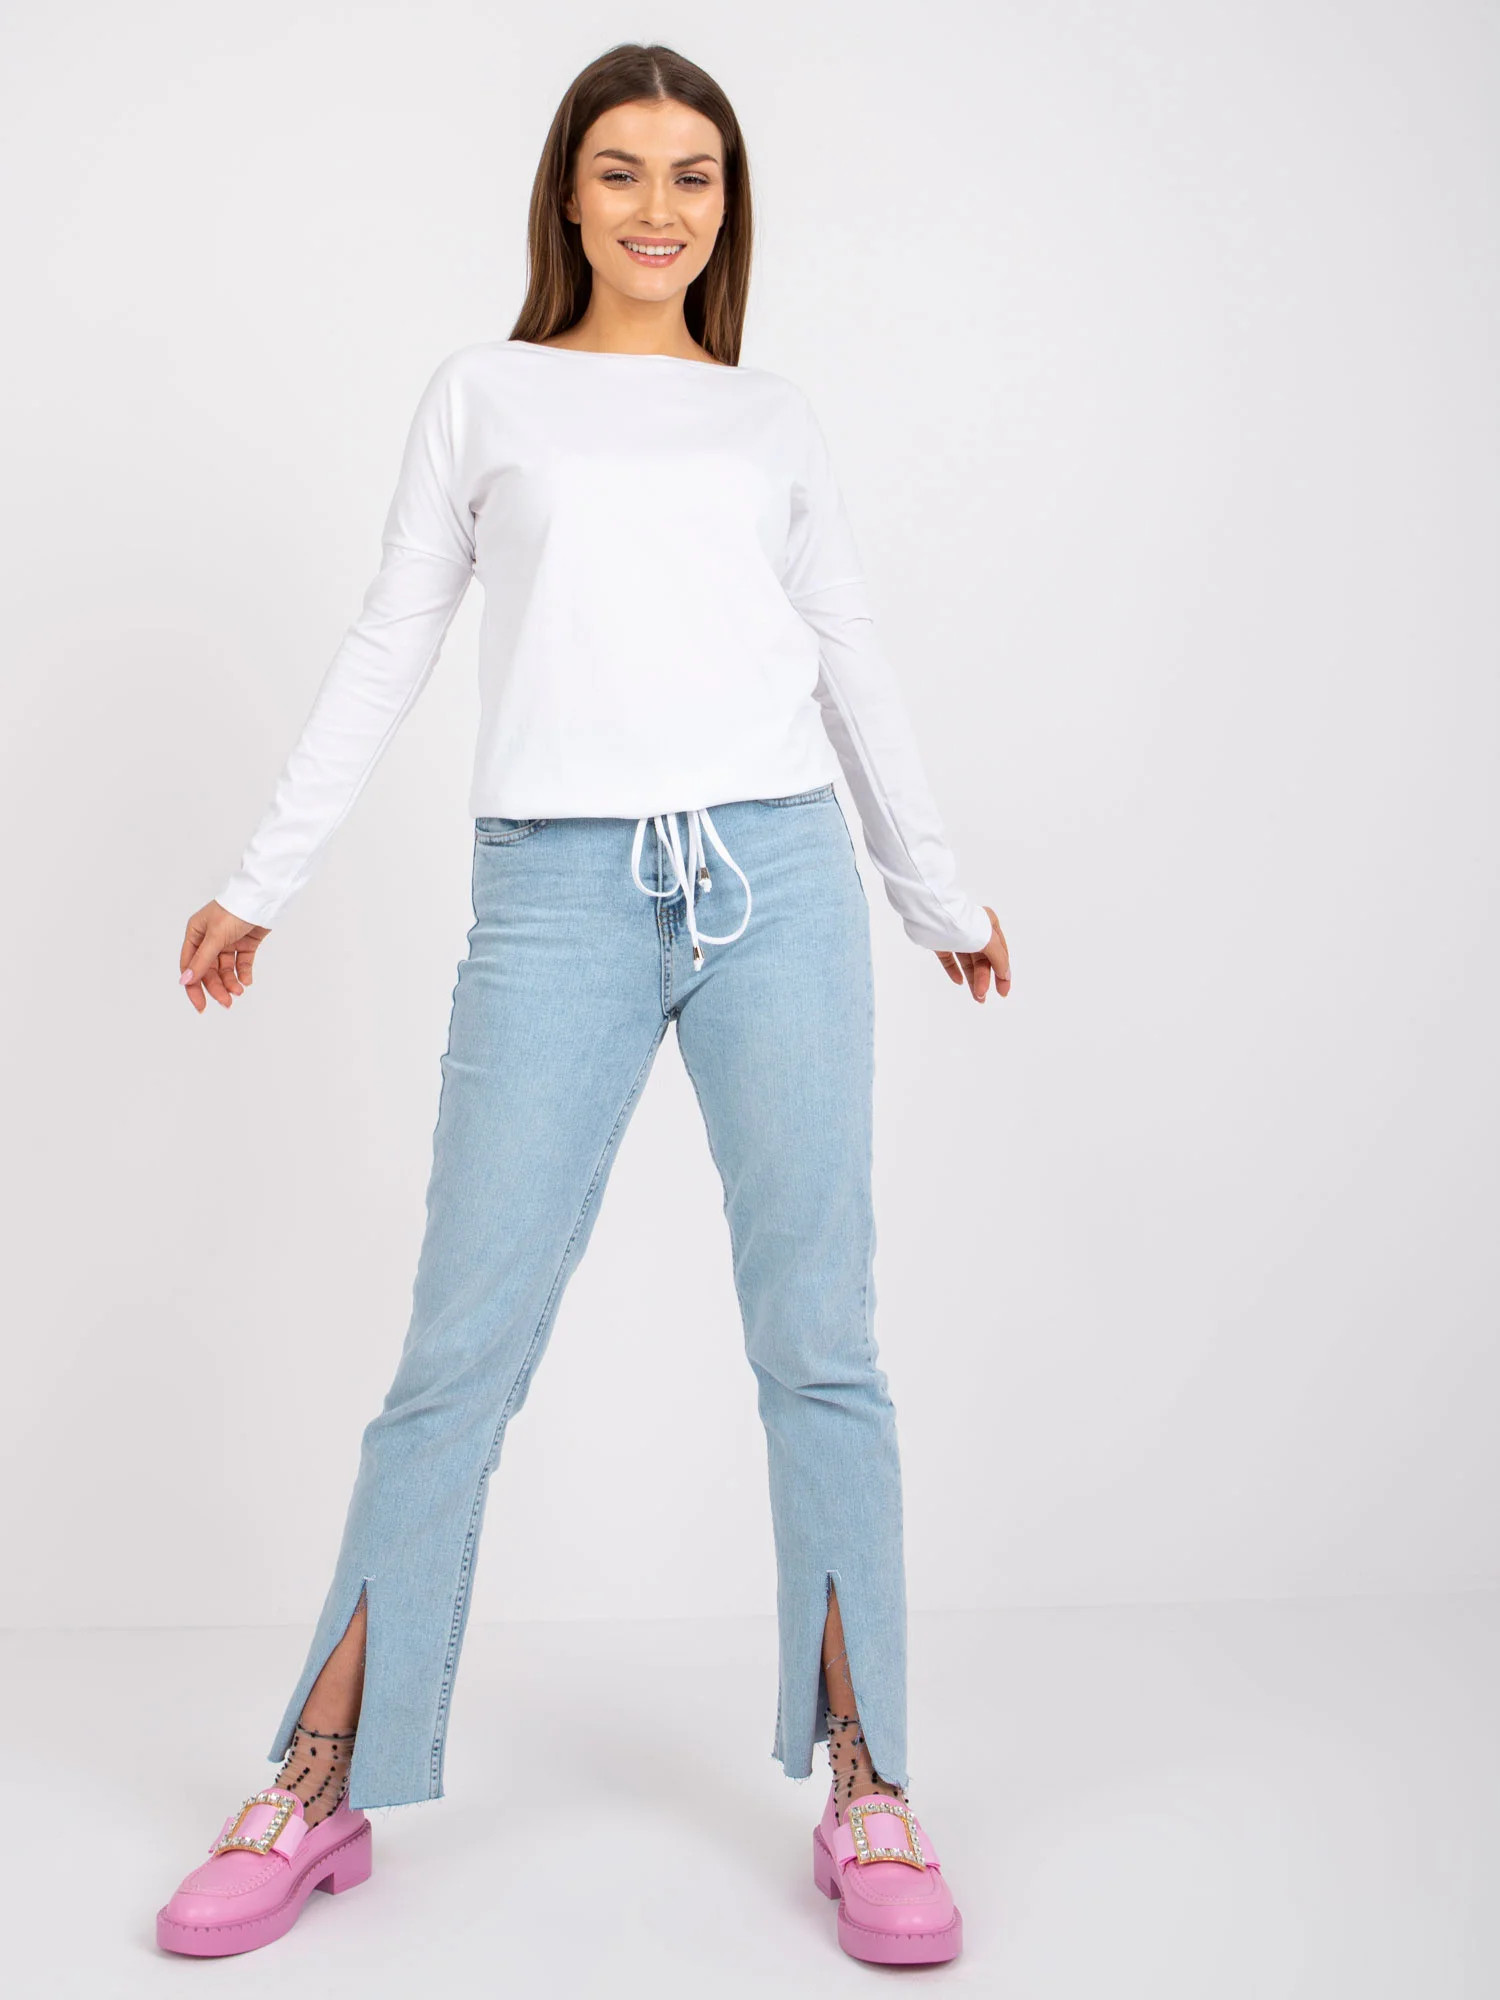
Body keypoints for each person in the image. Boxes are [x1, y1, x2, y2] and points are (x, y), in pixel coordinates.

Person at [159, 40, 1009, 1969]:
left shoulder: (771, 418)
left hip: (778, 881)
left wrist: (932, 889)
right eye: (623, 171)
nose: (658, 208)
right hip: (556, 894)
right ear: (567, 190)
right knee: (455, 1356)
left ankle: (870, 1785)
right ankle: (315, 1779)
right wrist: (261, 881)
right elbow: (392, 638)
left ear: (728, 205)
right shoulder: (485, 395)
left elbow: (849, 656)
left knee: (822, 1343)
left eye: (694, 176)